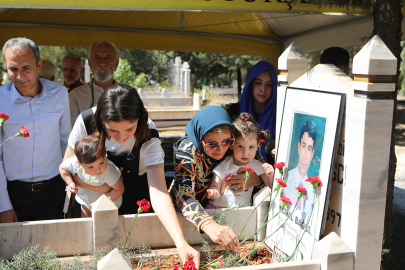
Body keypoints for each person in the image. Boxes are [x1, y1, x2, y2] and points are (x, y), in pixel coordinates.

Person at [63, 83, 199, 266]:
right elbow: (70, 167)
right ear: (100, 120)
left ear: (139, 119)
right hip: (92, 200)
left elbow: (158, 190)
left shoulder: (148, 133)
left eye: (129, 129)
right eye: (112, 130)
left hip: (135, 199)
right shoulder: (86, 121)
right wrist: (98, 189)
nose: (121, 137)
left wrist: (181, 242)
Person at [170, 106, 273, 252]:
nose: (220, 149)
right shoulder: (187, 151)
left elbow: (258, 166)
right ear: (201, 138)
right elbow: (184, 194)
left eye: (226, 142)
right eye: (212, 144)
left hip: (228, 216)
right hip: (186, 220)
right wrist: (209, 225)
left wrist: (257, 180)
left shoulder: (236, 143)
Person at [0, 37, 70, 223]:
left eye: (26, 68)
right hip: (12, 194)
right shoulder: (1, 99)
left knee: (55, 249)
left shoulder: (59, 94)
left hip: (54, 191)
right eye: (13, 69)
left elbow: (66, 143)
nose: (20, 76)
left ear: (39, 65)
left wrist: (68, 186)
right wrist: (3, 205)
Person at [206, 113, 274, 209]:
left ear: (258, 145)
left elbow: (271, 186)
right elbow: (214, 185)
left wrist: (270, 175)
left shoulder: (258, 165)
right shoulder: (225, 163)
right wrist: (214, 192)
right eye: (240, 146)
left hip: (241, 209)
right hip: (217, 208)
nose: (245, 153)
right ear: (232, 144)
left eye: (251, 147)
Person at [59, 135, 124, 217]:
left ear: (105, 152)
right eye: (90, 167)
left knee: (106, 224)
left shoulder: (108, 170)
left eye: (101, 163)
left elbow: (119, 189)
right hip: (86, 200)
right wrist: (70, 182)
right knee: (86, 219)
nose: (98, 169)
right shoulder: (74, 163)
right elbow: (62, 168)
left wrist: (102, 202)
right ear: (79, 163)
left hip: (106, 204)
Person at [227, 61, 278, 164]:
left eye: (269, 85)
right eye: (258, 83)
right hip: (236, 171)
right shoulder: (234, 112)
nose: (263, 89)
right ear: (250, 83)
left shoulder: (280, 114)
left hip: (269, 175)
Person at [69, 41, 119, 127]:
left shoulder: (128, 95)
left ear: (116, 65)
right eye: (97, 57)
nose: (102, 63)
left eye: (108, 58)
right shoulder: (75, 96)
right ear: (90, 64)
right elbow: (74, 135)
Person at [284, 119, 317, 218]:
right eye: (303, 146)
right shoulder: (286, 179)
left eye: (309, 148)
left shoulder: (313, 190)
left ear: (312, 154)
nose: (305, 156)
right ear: (298, 147)